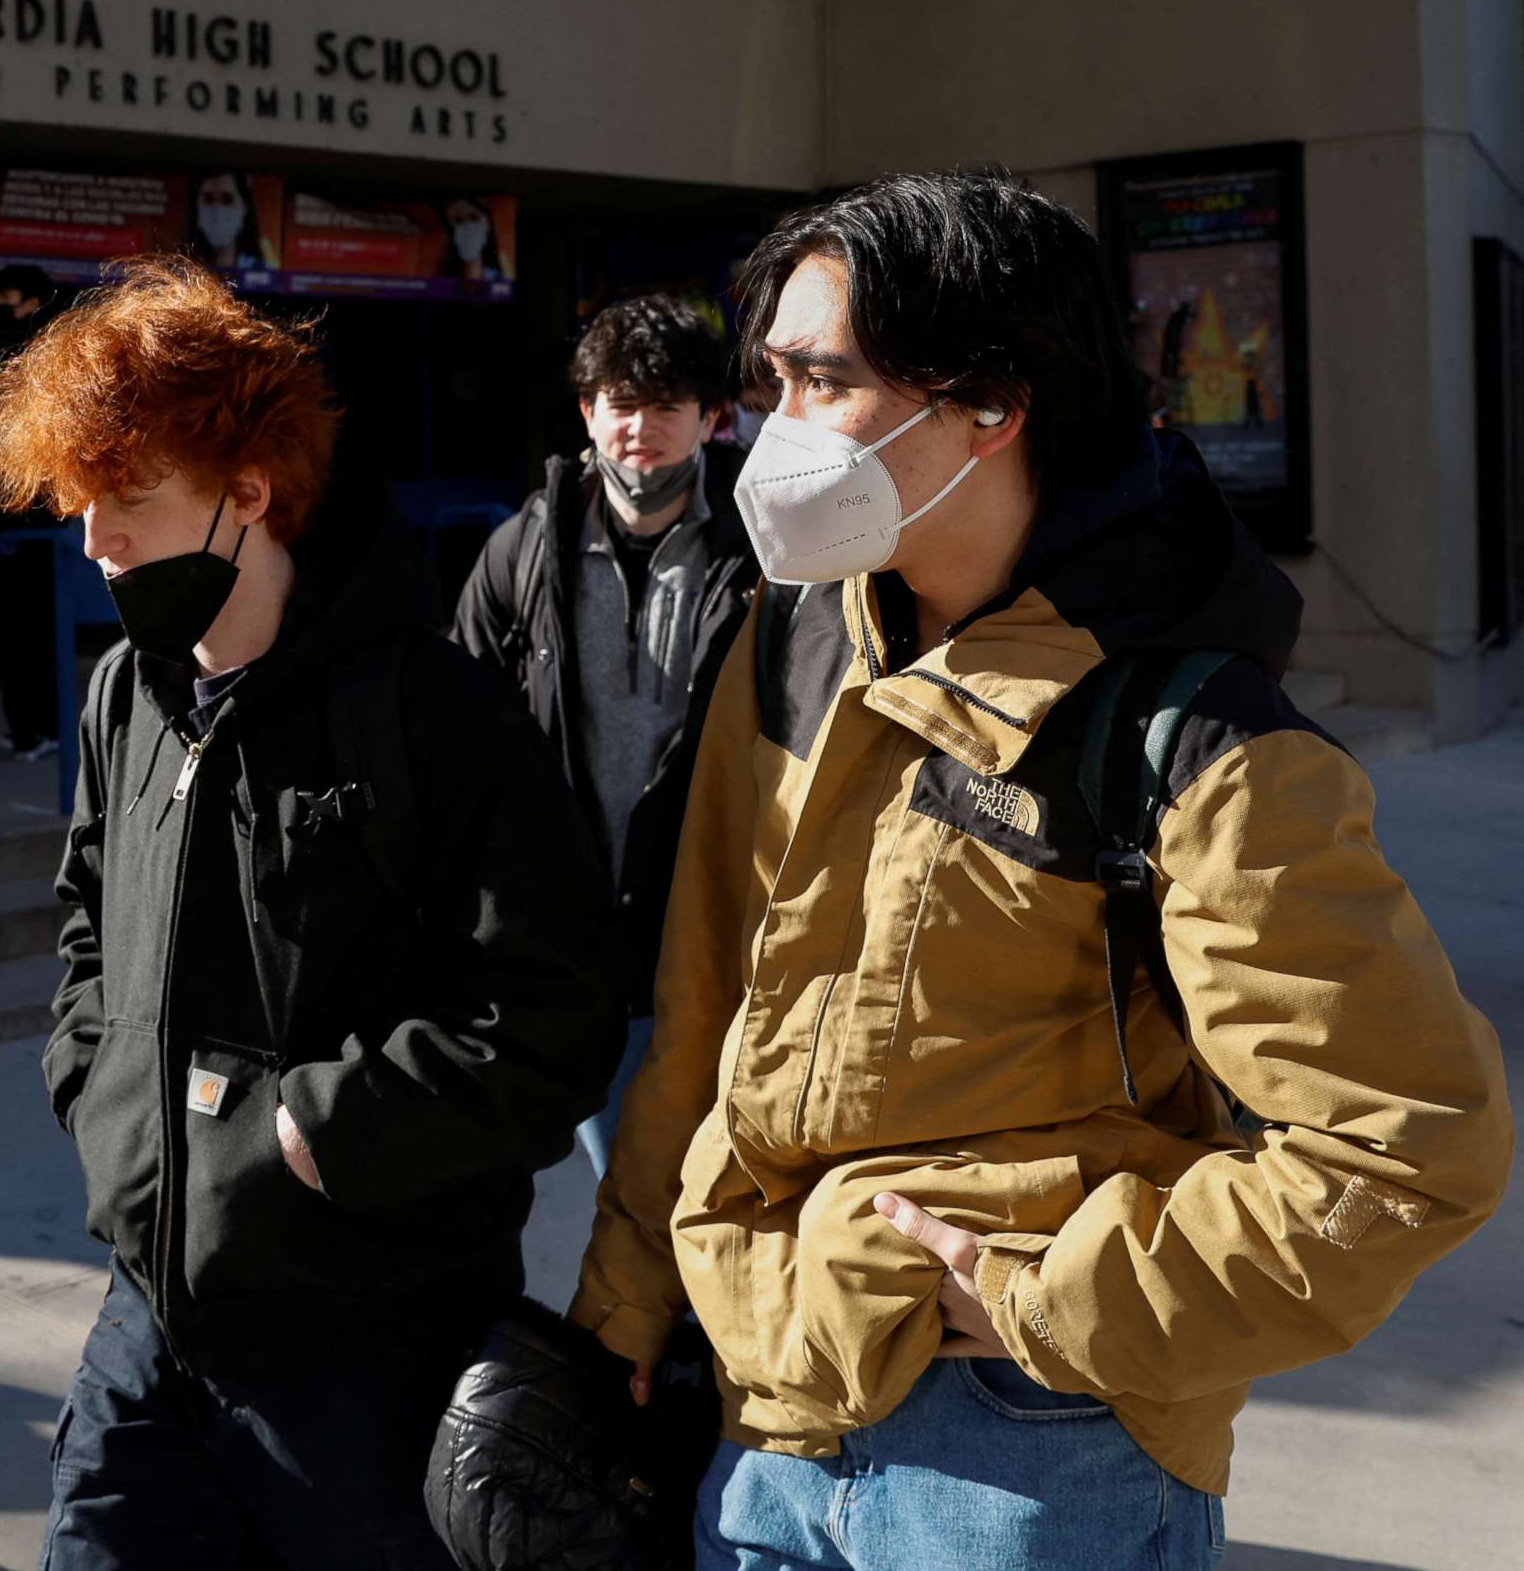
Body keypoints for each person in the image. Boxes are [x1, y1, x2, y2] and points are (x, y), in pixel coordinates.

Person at [572, 169, 1513, 1570]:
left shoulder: (1193, 731)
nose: (774, 433)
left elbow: (1410, 1143)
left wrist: (1051, 1302)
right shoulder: (796, 640)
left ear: (994, 405)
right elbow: (705, 1012)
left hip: (1027, 1461)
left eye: (822, 380)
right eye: (769, 378)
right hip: (766, 1416)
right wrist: (622, 1317)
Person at [0, 256, 620, 1570]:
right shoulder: (121, 699)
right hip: (147, 1318)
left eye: (129, 503)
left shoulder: (442, 715)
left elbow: (552, 1016)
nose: (93, 542)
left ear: (249, 494)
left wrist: (313, 1133)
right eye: (79, 503)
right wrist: (97, 1092)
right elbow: (88, 924)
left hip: (367, 1342)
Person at [451, 294, 759, 1179]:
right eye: (622, 405)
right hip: (566, 939)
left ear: (709, 417)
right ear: (588, 412)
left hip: (709, 928)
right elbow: (459, 734)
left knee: (703, 1182)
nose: (642, 429)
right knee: (626, 1182)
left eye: (667, 406)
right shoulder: (522, 552)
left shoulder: (764, 552)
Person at [0, 265, 63, 759]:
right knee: (14, 637)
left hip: (36, 528)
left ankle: (43, 727)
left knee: (35, 636)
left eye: (16, 297)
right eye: (0, 295)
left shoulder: (55, 358)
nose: (7, 305)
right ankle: (28, 723)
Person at [187, 170, 267, 270]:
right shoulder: (183, 268)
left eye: (227, 200)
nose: (217, 212)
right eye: (208, 199)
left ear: (244, 207)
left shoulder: (263, 270)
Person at [442, 197, 505, 282]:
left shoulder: (502, 279)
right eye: (458, 221)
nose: (467, 227)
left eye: (474, 218)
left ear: (488, 224)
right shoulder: (440, 281)